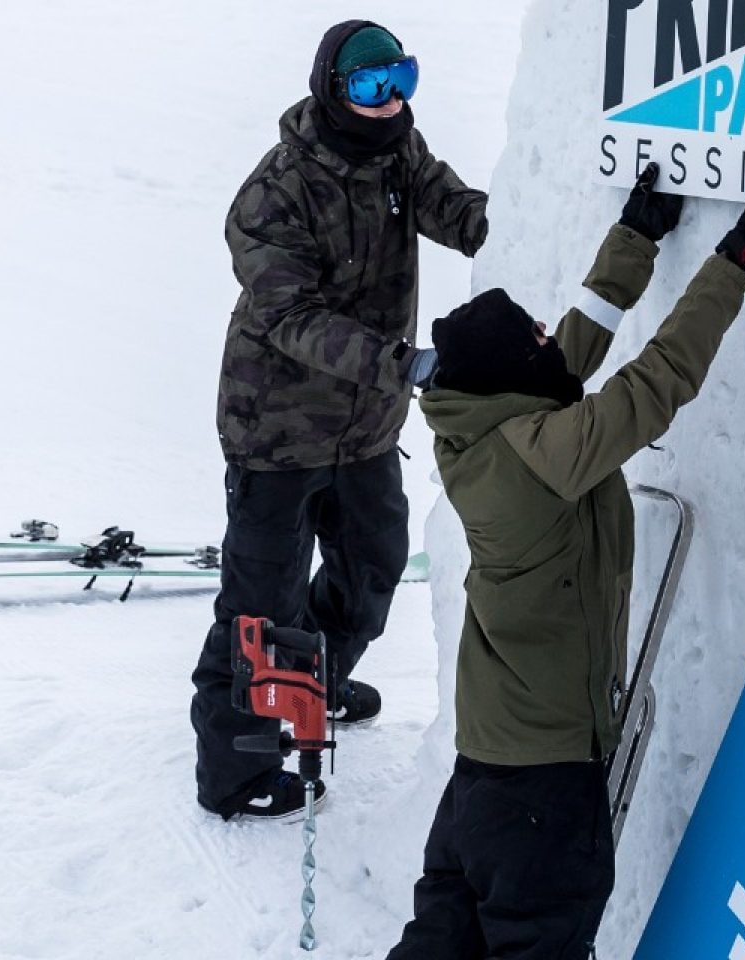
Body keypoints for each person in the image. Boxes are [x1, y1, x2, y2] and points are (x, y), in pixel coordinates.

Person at [383, 165, 745, 958]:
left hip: (484, 782)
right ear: (510, 375)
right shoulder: (542, 456)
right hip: (542, 789)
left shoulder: (483, 424)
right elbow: (658, 380)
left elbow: (568, 348)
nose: (549, 340)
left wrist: (636, 236)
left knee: (440, 944)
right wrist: (735, 254)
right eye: (533, 341)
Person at [190, 19, 488, 821]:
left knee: (372, 572)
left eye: (403, 81)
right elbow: (291, 315)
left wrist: (523, 227)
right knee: (260, 606)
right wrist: (407, 364)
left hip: (365, 430)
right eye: (369, 87)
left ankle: (310, 680)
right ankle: (235, 768)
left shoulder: (400, 157)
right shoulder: (274, 191)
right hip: (275, 434)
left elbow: (456, 210)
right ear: (333, 87)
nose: (388, 103)